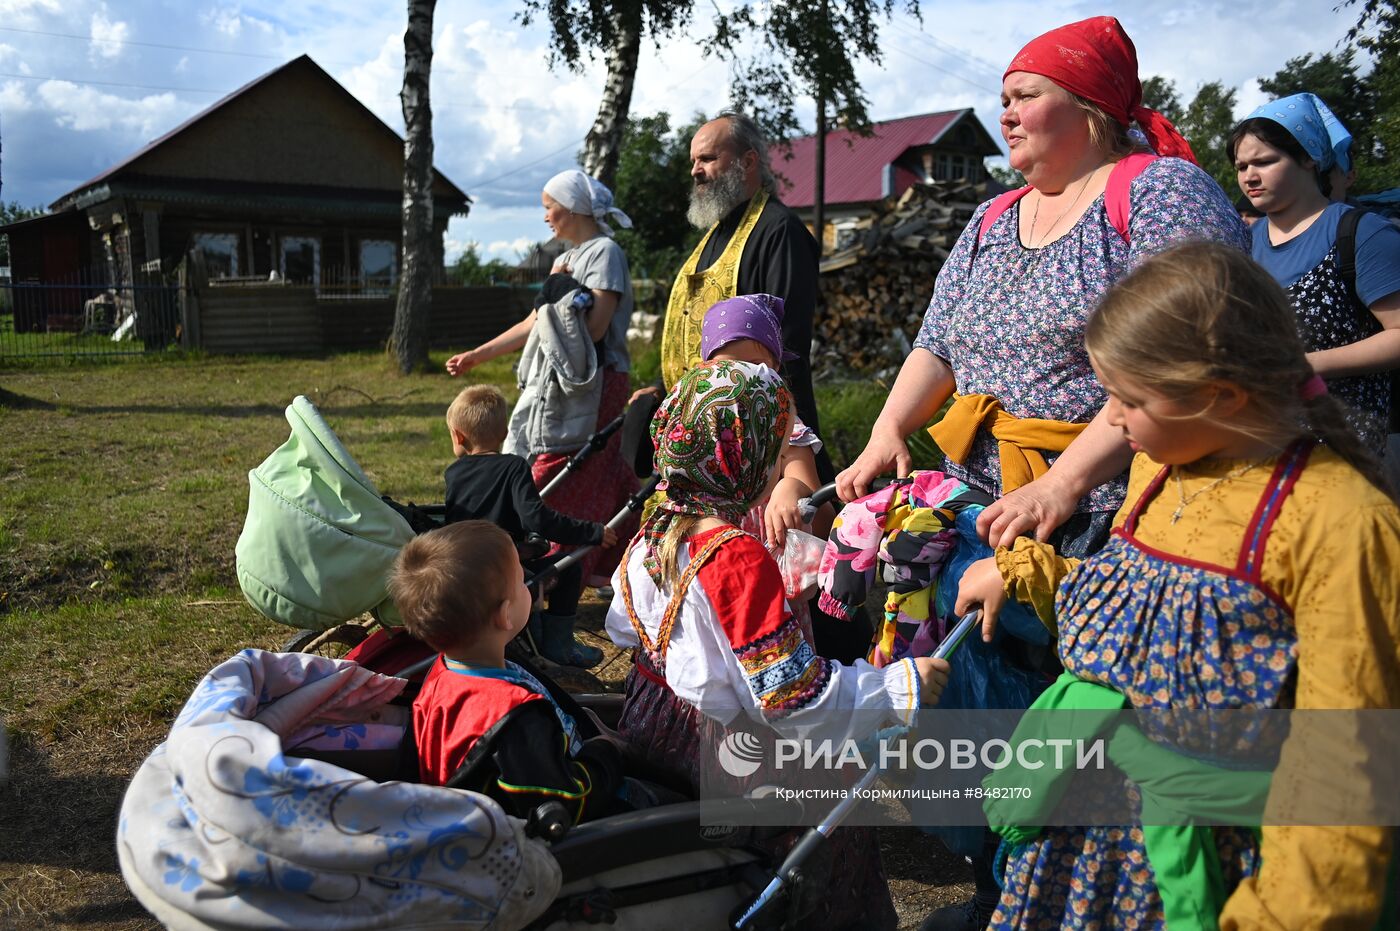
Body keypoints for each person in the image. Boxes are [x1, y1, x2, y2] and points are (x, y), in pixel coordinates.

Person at [836, 17, 1249, 929]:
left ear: (1093, 106)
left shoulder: (1161, 193)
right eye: (1006, 95)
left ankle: (1065, 884)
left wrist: (1064, 484)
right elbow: (937, 341)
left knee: (1076, 701)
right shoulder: (989, 218)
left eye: (1025, 94)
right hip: (982, 497)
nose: (1005, 111)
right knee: (977, 674)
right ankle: (1001, 877)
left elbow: (1181, 351)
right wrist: (884, 432)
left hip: (1116, 502)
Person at [955, 241, 1400, 929]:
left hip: (1208, 870)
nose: (1110, 417)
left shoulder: (1344, 524)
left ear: (1220, 395)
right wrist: (1023, 573)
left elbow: (1342, 767)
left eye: (1128, 398)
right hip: (1095, 846)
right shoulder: (1164, 466)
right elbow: (1147, 613)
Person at [606, 359, 950, 929]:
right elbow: (793, 700)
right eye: (775, 448)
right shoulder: (735, 557)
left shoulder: (657, 526)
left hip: (657, 726)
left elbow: (623, 625)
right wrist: (896, 685)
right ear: (742, 458)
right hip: (728, 759)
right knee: (830, 830)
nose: (781, 463)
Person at [447, 169, 638, 590]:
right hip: (563, 387)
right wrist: (478, 356)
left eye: (549, 207)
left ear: (571, 208)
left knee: (562, 470)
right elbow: (536, 322)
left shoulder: (605, 253)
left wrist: (559, 287)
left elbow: (594, 329)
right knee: (592, 473)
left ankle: (554, 567)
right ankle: (606, 566)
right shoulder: (565, 259)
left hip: (596, 382)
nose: (546, 217)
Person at [635, 111, 830, 480]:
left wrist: (791, 457)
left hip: (752, 436)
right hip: (698, 429)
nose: (695, 170)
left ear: (748, 161)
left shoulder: (780, 232)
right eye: (693, 160)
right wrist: (663, 388)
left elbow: (784, 349)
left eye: (708, 158)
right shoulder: (712, 236)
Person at [389, 520, 626, 823]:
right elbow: (565, 803)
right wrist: (605, 754)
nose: (528, 581)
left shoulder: (441, 677)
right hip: (588, 830)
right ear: (503, 615)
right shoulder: (514, 718)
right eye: (520, 580)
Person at [1228, 93, 1400, 453]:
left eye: (1264, 161)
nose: (1249, 177)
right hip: (1264, 446)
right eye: (1241, 167)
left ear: (1309, 158)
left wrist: (1305, 366)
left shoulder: (1361, 232)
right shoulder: (1244, 242)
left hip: (1346, 451)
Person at [443, 384, 618, 667]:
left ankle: (532, 636)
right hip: (506, 570)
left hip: (467, 569)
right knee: (569, 567)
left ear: (458, 436)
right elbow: (537, 519)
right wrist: (592, 531)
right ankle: (558, 644)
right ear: (503, 435)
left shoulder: (453, 473)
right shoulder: (513, 467)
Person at [698, 293, 829, 548]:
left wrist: (792, 487)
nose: (744, 376)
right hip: (712, 557)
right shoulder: (702, 426)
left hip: (770, 559)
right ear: (706, 369)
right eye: (730, 365)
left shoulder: (784, 427)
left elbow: (823, 519)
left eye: (755, 365)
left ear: (776, 367)